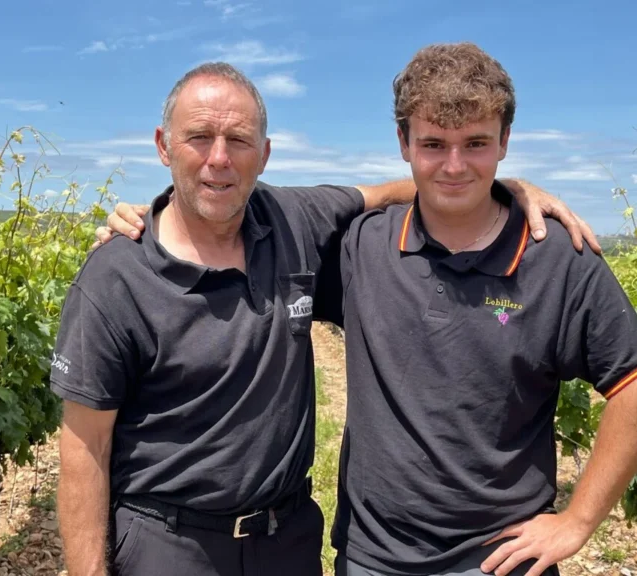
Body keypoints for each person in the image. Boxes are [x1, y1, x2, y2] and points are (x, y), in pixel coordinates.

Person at [76, 62, 596, 576]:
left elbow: (391, 191)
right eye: (198, 137)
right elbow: (84, 449)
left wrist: (504, 187)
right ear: (164, 146)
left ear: (264, 154)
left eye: (237, 140)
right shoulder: (118, 273)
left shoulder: (294, 218)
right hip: (169, 545)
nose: (218, 159)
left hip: (286, 540)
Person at [325, 43, 637, 576]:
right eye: (434, 144)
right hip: (372, 556)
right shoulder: (361, 247)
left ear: (505, 142)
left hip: (500, 561)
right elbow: (250, 218)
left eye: (477, 144)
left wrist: (578, 522)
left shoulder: (555, 256)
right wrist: (148, 218)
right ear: (403, 143)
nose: (455, 165)